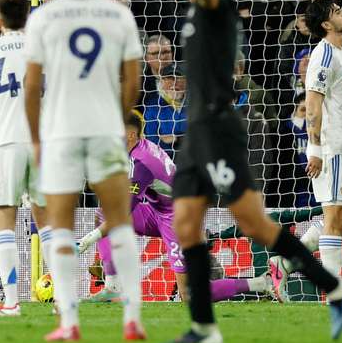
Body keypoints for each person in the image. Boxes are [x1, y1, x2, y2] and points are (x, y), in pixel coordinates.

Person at [107, 0, 342, 343]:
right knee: (186, 223)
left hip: (219, 128)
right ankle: (204, 327)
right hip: (197, 131)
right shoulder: (194, 2)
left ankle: (334, 289)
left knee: (253, 223)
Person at [23, 0, 144, 342]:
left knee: (60, 226)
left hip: (61, 132)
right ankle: (132, 319)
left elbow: (31, 87)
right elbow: (133, 81)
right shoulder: (118, 15)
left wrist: (36, 139)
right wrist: (115, 117)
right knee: (119, 222)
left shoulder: (45, 17)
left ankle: (69, 322)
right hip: (105, 130)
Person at [78, 112, 274, 303]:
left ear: (130, 135)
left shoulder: (142, 163)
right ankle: (112, 286)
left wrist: (87, 240)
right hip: (158, 211)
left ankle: (261, 283)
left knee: (189, 294)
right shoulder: (139, 149)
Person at [269, 0, 342, 291]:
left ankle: (284, 263)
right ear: (327, 24)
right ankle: (334, 290)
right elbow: (312, 105)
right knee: (335, 220)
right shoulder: (323, 56)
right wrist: (314, 151)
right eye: (337, 12)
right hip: (330, 148)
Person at [0, 0, 49, 317]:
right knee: (47, 223)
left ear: (0, 19)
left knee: (5, 222)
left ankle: (11, 302)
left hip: (7, 141)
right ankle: (62, 300)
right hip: (42, 142)